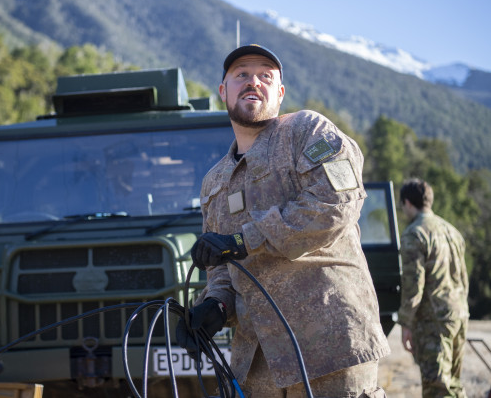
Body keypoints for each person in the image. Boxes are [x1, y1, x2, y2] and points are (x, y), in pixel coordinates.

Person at [176, 44, 390, 397]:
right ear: (222, 91)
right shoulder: (214, 182)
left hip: (330, 347)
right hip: (257, 362)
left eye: (265, 75)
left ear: (280, 92)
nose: (253, 81)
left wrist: (244, 241)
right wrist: (215, 307)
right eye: (241, 74)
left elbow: (335, 204)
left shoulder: (308, 132)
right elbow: (222, 269)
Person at [397, 178, 469, 398]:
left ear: (408, 203)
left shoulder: (414, 234)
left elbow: (413, 286)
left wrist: (406, 322)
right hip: (458, 315)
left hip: (433, 323)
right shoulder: (452, 231)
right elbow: (463, 279)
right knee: (453, 385)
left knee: (437, 388)